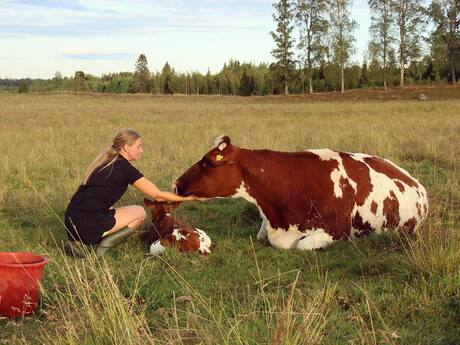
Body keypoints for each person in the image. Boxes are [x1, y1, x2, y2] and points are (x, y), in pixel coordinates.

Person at [64, 129, 199, 258]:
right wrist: (190, 197)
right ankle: (99, 253)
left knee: (109, 209)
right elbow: (157, 195)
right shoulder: (125, 169)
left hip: (71, 221)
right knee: (140, 212)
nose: (141, 150)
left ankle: (77, 243)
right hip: (88, 225)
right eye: (138, 146)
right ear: (127, 148)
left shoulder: (104, 161)